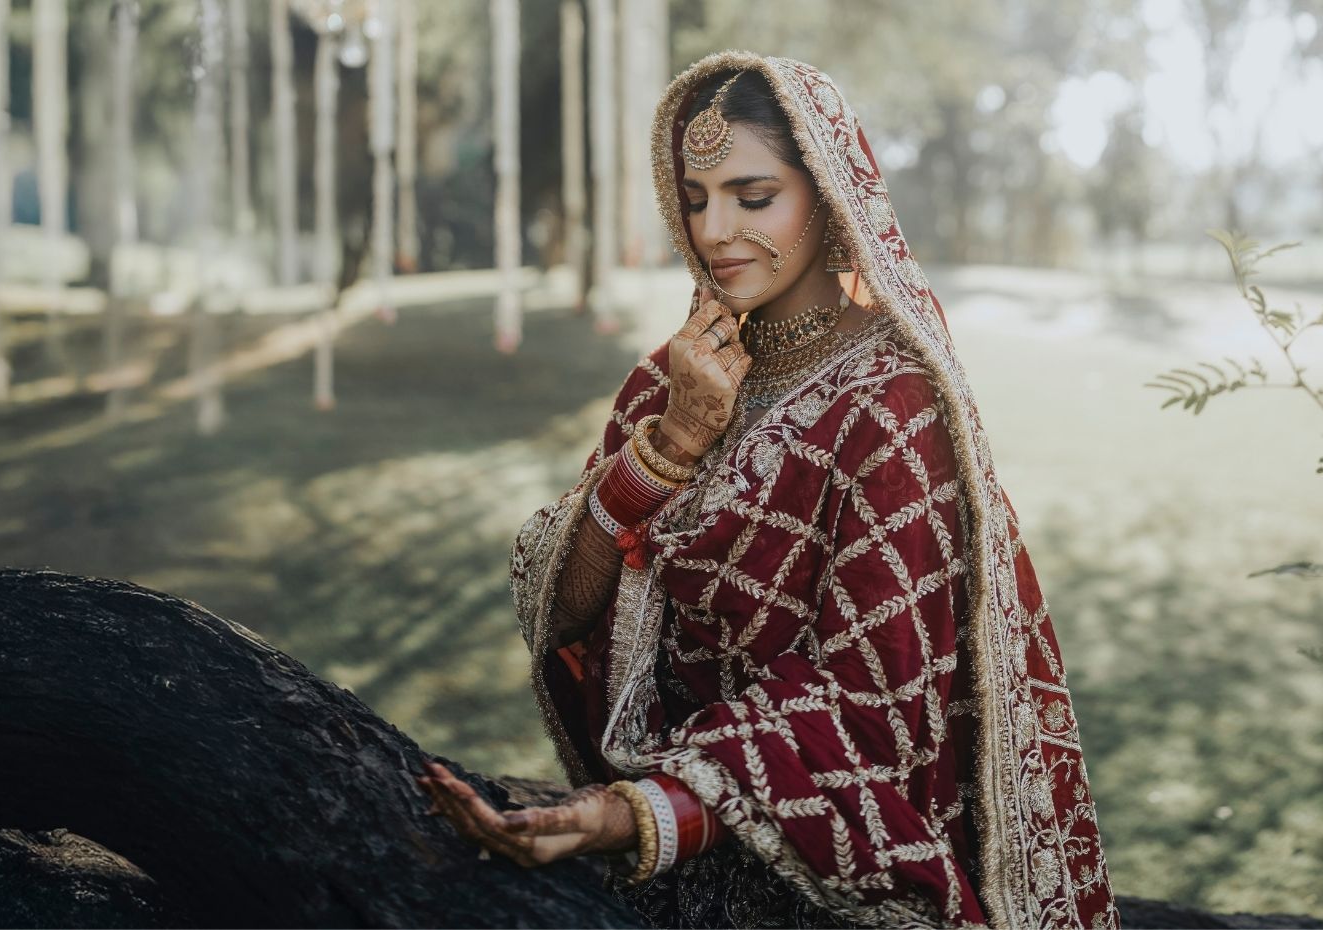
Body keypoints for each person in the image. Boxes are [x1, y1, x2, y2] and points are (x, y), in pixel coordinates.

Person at [416, 51, 1120, 929]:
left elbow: (872, 711)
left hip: (818, 858)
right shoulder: (672, 380)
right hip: (671, 820)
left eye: (755, 198)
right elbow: (561, 615)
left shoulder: (893, 406)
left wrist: (641, 813)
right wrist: (670, 444)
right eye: (697, 198)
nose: (714, 232)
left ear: (827, 197)